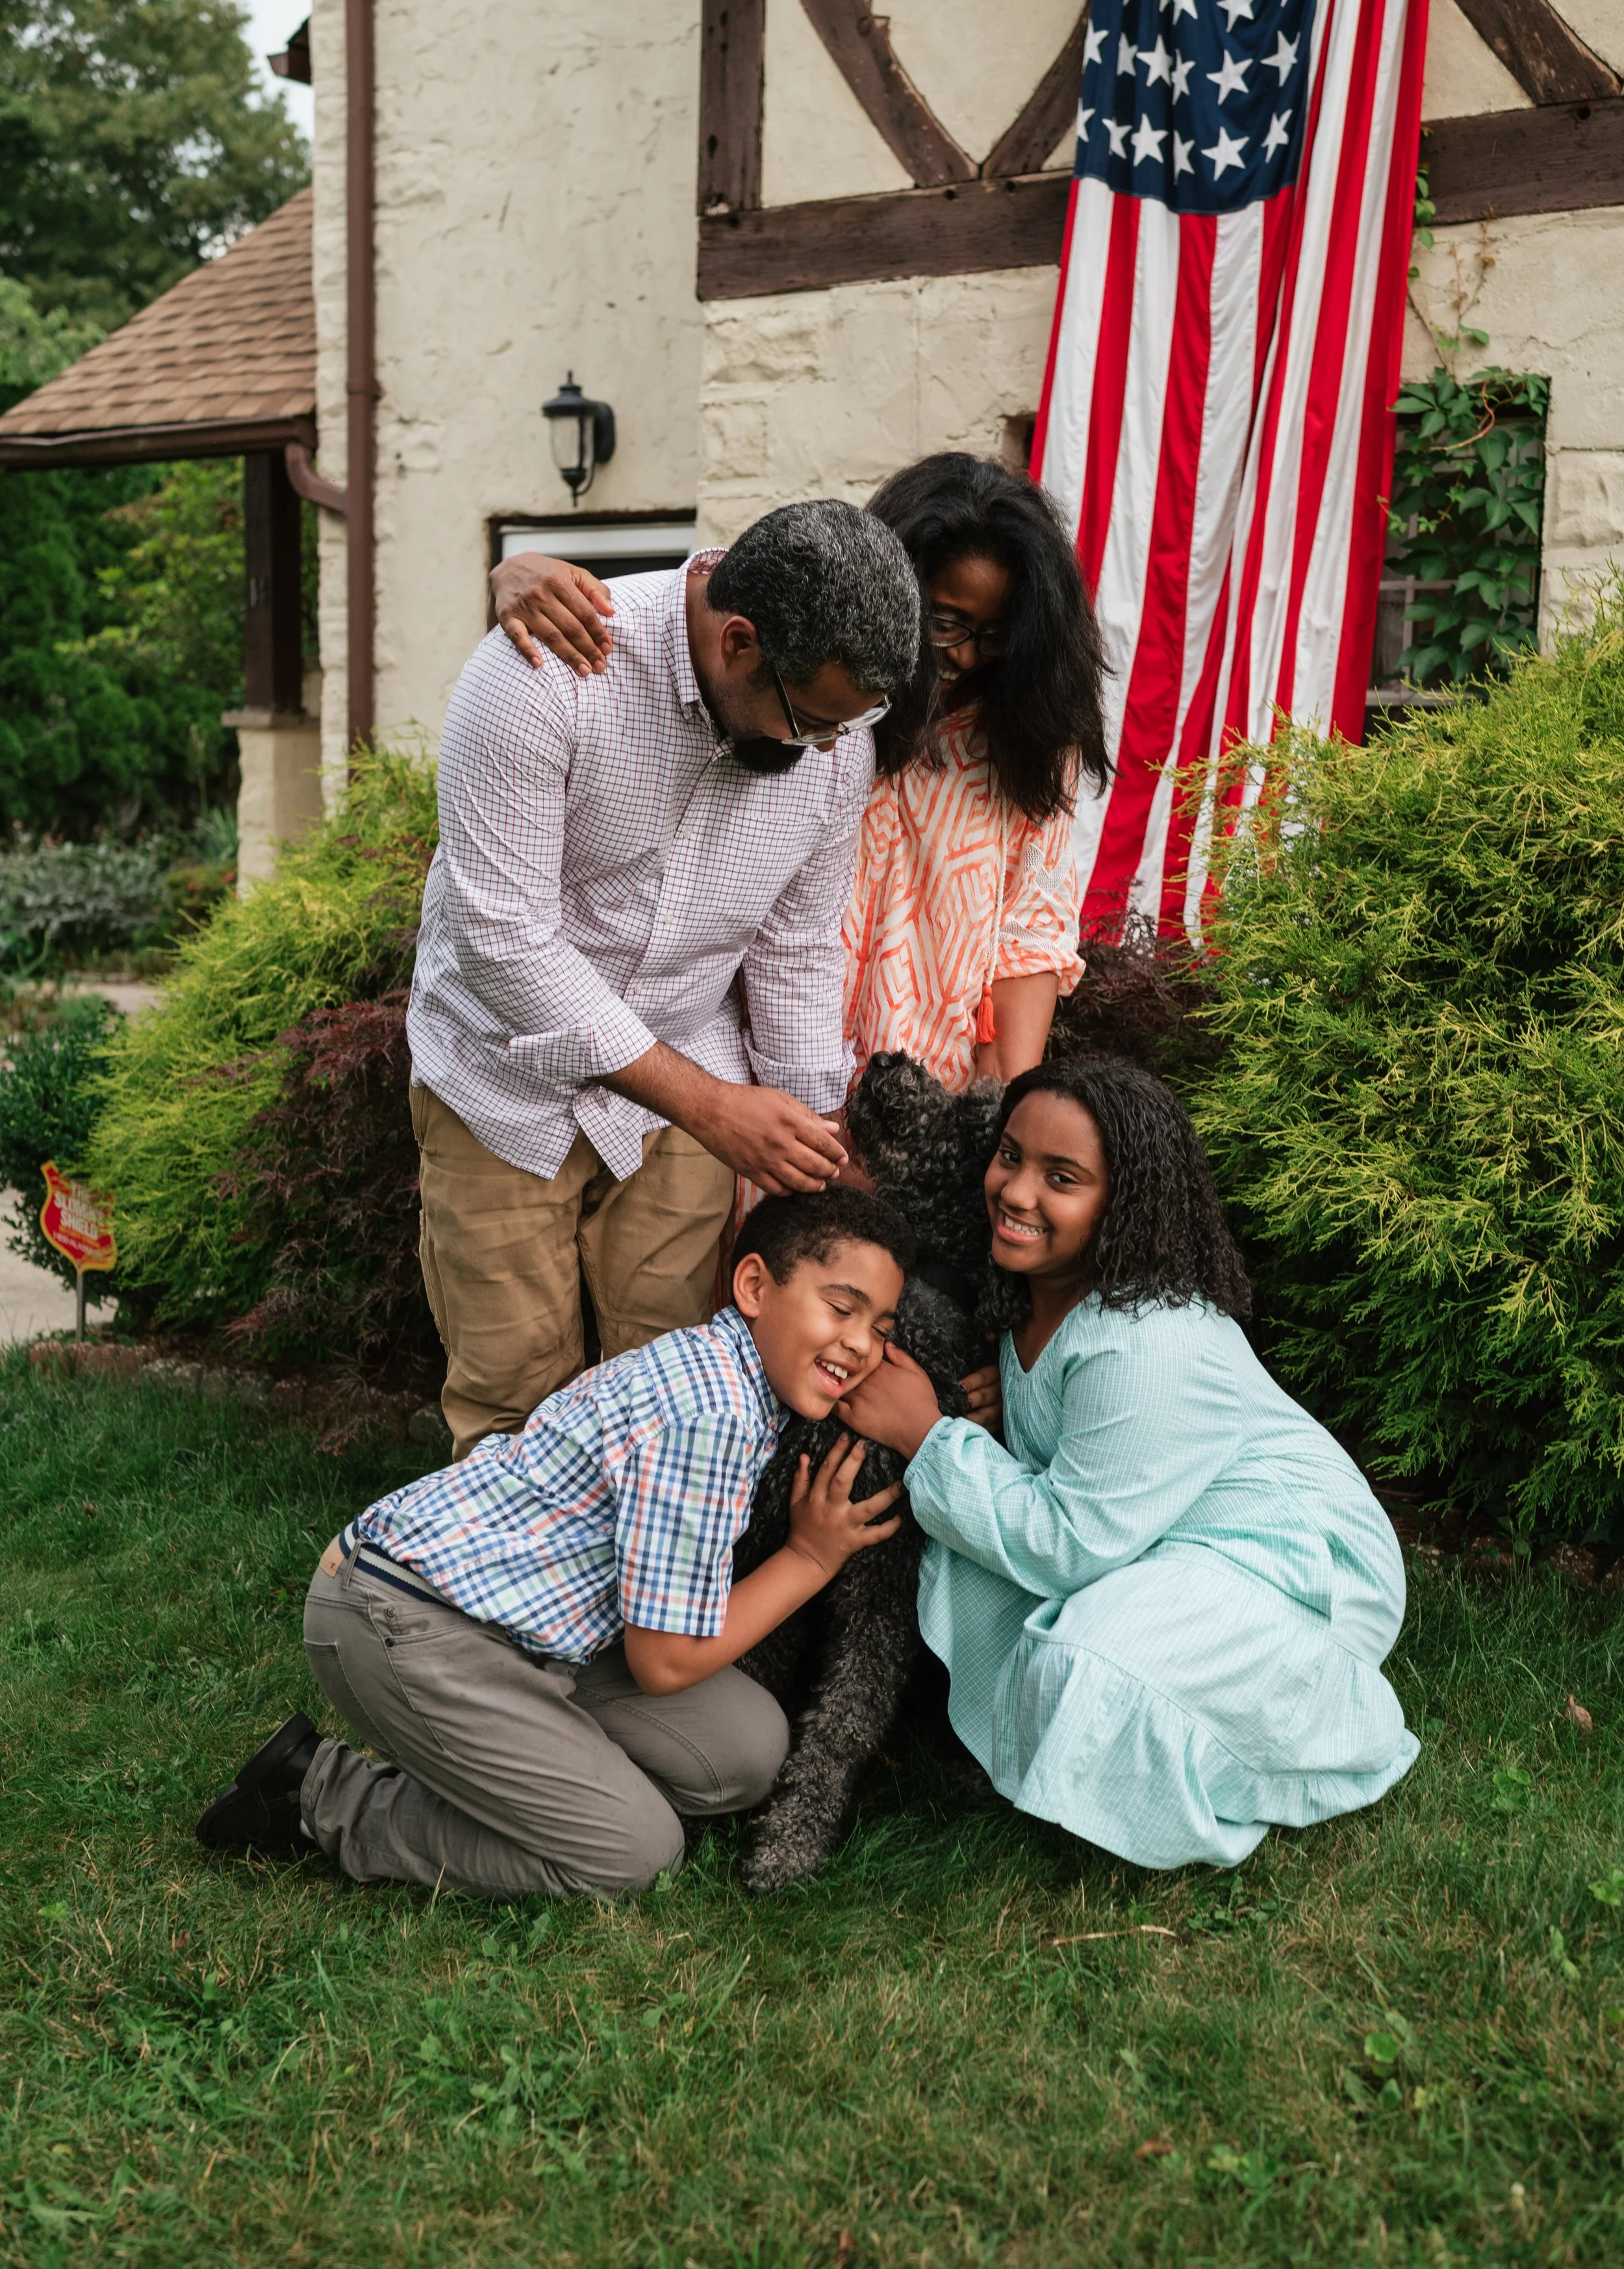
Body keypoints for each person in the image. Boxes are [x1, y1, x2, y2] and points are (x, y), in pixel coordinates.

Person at [196, 1189, 911, 1899]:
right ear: (753, 1285)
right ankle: (319, 1794)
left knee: (745, 1747)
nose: (860, 1343)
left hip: (531, 1630)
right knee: (635, 1854)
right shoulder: (712, 1411)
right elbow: (664, 1661)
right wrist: (812, 1558)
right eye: (841, 1308)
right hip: (402, 1617)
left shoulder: (728, 1375)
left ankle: (531, 1774)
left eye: (881, 1328)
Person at [411, 499, 919, 1459]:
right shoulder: (541, 679)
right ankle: (511, 1609)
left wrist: (814, 1135)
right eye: (808, 720)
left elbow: (797, 947)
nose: (823, 750)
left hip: (685, 1091)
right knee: (517, 1397)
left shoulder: (837, 738)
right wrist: (714, 1107)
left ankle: (655, 1611)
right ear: (738, 642)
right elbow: (502, 942)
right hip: (500, 1088)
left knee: (677, 1390)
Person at [833, 1059, 1419, 1871]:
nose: (1016, 1191)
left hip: (1294, 1565)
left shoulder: (1146, 1336)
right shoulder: (1035, 1287)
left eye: (1061, 1178)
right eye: (1010, 1155)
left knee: (1088, 1660)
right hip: (1152, 1540)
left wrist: (928, 1435)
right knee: (1004, 1589)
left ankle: (1340, 1723)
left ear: (1124, 1202)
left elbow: (1068, 1546)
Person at [492, 453, 1110, 1094]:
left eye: (995, 634)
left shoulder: (1027, 739)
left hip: (934, 1082)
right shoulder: (807, 690)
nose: (963, 653)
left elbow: (1029, 930)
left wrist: (1011, 1098)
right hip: (773, 1064)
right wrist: (517, 571)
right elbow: (726, 592)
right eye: (944, 620)